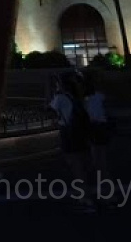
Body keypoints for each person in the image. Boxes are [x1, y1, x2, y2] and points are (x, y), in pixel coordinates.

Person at [49, 72, 94, 211]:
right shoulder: (75, 97)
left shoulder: (60, 98)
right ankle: (85, 193)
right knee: (81, 163)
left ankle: (85, 198)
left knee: (75, 165)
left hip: (68, 133)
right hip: (79, 133)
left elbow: (50, 110)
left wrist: (54, 93)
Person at [81, 72, 112, 191]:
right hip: (102, 125)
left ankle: (99, 180)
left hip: (92, 126)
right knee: (101, 154)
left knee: (94, 153)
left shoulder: (84, 99)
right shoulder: (99, 96)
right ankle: (104, 179)